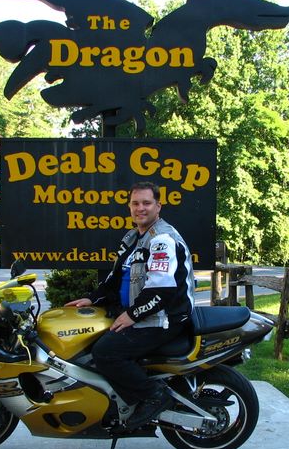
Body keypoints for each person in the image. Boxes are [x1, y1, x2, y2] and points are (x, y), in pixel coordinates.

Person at [66, 181, 196, 429]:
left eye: (146, 203)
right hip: (144, 315)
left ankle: (154, 396)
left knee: (106, 352)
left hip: (163, 318)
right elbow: (115, 278)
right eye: (135, 203)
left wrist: (132, 315)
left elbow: (162, 290)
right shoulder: (133, 237)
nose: (140, 208)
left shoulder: (162, 239)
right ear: (129, 206)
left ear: (158, 206)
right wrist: (93, 298)